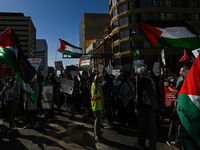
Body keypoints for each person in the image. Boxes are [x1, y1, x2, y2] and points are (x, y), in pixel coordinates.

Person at [164, 65, 190, 150]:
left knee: (179, 122)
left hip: (183, 106)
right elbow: (176, 77)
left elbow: (175, 92)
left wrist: (168, 86)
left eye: (181, 71)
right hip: (183, 104)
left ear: (185, 72)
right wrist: (169, 72)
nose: (179, 72)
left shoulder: (184, 81)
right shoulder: (183, 79)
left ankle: (178, 142)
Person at [134, 67, 157, 150]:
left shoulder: (141, 81)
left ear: (140, 74)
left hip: (144, 107)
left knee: (142, 127)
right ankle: (152, 147)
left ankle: (141, 144)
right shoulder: (153, 81)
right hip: (153, 108)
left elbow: (140, 96)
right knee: (152, 129)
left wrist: (137, 107)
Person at [91, 74, 103, 142]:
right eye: (99, 78)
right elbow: (95, 92)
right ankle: (98, 137)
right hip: (96, 106)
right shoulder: (95, 85)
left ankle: (97, 135)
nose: (100, 80)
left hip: (98, 106)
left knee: (98, 123)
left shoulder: (98, 85)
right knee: (97, 123)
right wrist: (96, 80)